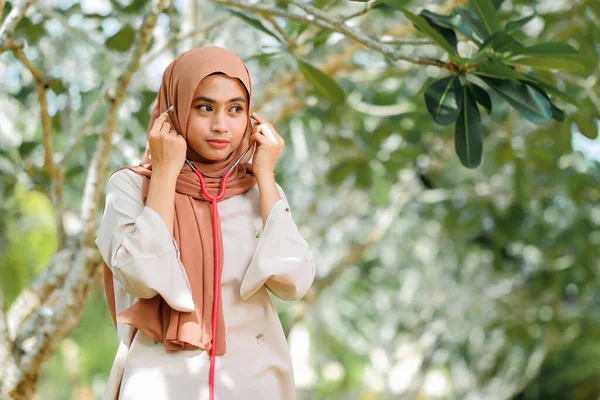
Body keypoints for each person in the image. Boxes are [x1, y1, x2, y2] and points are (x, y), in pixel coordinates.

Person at [95, 46, 316, 400]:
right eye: (204, 107)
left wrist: (265, 175)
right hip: (160, 385)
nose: (221, 125)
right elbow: (142, 278)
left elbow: (294, 281)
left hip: (255, 382)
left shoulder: (259, 189)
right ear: (175, 109)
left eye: (235, 109)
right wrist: (165, 174)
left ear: (251, 118)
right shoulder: (131, 187)